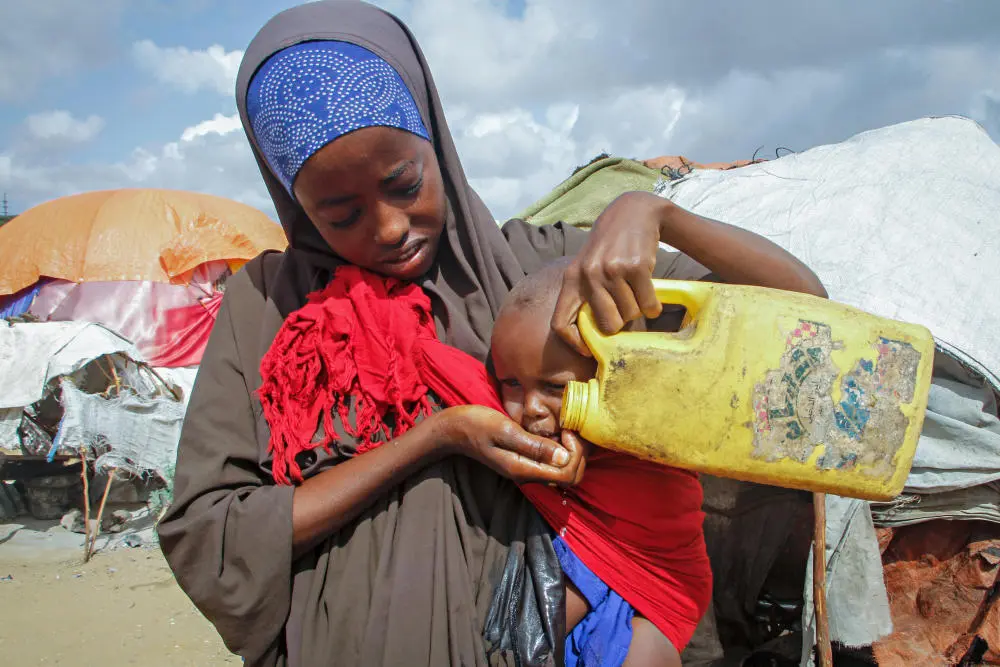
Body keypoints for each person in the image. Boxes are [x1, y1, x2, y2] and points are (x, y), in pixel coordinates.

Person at [157, 2, 826, 666]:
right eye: (341, 213)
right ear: (295, 207)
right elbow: (211, 533)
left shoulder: (541, 271)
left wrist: (657, 214)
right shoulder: (267, 306)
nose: (389, 227)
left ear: (436, 144)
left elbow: (800, 306)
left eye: (404, 183)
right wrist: (434, 437)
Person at [490, 258, 710, 667]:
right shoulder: (504, 439)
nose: (531, 409)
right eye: (511, 383)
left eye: (555, 386)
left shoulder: (649, 454)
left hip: (651, 602)